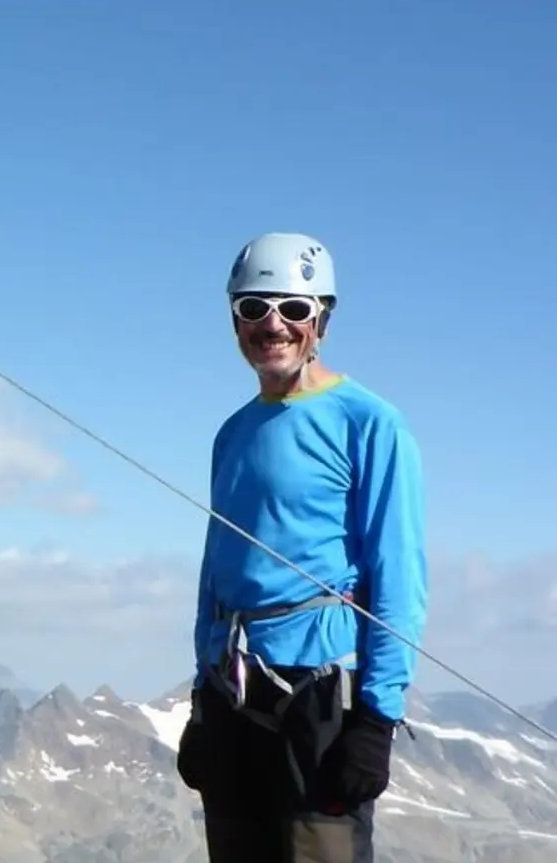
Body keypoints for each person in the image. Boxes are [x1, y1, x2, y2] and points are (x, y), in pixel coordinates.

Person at [177, 233, 428, 863]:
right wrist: (203, 700)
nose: (273, 325)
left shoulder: (370, 424)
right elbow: (217, 571)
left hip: (321, 697)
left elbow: (396, 576)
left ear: (322, 318)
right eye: (254, 308)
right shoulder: (232, 433)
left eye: (293, 308)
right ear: (234, 317)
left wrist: (376, 720)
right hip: (235, 692)